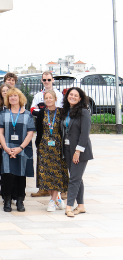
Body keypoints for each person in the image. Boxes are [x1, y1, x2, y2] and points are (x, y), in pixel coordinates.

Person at [0, 87, 35, 212]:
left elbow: (30, 133)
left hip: (22, 149)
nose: (13, 98)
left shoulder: (27, 114)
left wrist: (20, 148)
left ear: (20, 98)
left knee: (20, 176)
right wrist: (7, 149)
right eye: (10, 96)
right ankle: (7, 201)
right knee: (7, 176)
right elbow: (0, 132)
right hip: (7, 148)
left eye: (15, 96)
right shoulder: (4, 114)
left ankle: (20, 201)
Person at [30, 72, 65, 198]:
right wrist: (44, 111)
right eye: (44, 79)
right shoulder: (38, 95)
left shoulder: (59, 95)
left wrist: (49, 110)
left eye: (49, 79)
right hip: (44, 134)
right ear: (42, 80)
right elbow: (33, 109)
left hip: (57, 135)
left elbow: (61, 110)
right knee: (43, 164)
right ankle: (43, 188)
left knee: (59, 164)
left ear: (53, 80)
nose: (46, 81)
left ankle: (63, 190)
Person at [61, 87, 93, 217]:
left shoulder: (84, 112)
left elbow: (85, 134)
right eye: (71, 94)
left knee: (74, 178)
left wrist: (78, 151)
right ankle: (81, 206)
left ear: (80, 98)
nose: (72, 97)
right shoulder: (66, 111)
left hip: (79, 151)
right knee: (77, 177)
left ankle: (69, 207)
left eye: (76, 95)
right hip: (67, 149)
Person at [35, 90, 68, 212]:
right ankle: (57, 197)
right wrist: (37, 145)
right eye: (46, 98)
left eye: (50, 98)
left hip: (58, 147)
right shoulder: (42, 113)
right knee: (44, 175)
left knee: (56, 175)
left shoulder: (61, 112)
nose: (48, 100)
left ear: (55, 99)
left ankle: (52, 201)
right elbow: (38, 130)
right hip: (44, 146)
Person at [0, 83, 10, 197]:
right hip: (1, 140)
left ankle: (12, 190)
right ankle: (3, 188)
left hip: (14, 142)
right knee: (2, 166)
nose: (5, 92)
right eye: (3, 91)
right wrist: (1, 142)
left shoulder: (16, 106)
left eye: (7, 90)